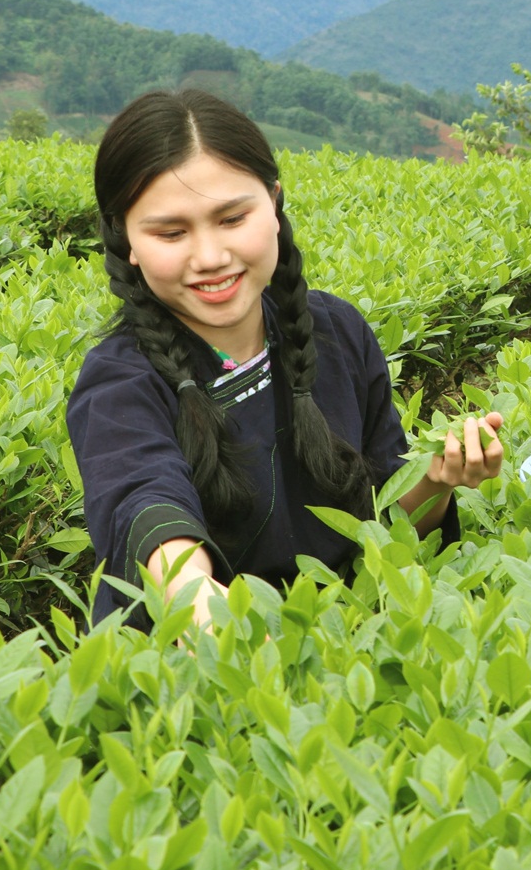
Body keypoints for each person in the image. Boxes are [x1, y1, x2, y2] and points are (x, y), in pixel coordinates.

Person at [68, 89, 503, 631]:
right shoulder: (118, 384)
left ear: (273, 203)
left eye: (231, 219)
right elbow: (146, 502)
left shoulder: (337, 332)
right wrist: (196, 598)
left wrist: (438, 480)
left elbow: (387, 524)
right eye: (171, 232)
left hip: (344, 650)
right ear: (125, 238)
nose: (209, 257)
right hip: (197, 675)